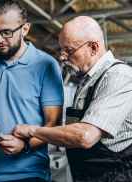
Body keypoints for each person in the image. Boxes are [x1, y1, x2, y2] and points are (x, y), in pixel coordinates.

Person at [13, 16, 132, 182]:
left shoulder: (119, 76)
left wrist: (31, 130)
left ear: (93, 47)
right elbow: (72, 131)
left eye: (68, 50)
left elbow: (85, 136)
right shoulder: (87, 80)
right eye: (61, 50)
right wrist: (28, 143)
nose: (62, 57)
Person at [0, 1, 64, 181]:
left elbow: (53, 124)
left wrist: (24, 145)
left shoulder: (46, 65)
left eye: (6, 33)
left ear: (25, 29)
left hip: (29, 175)